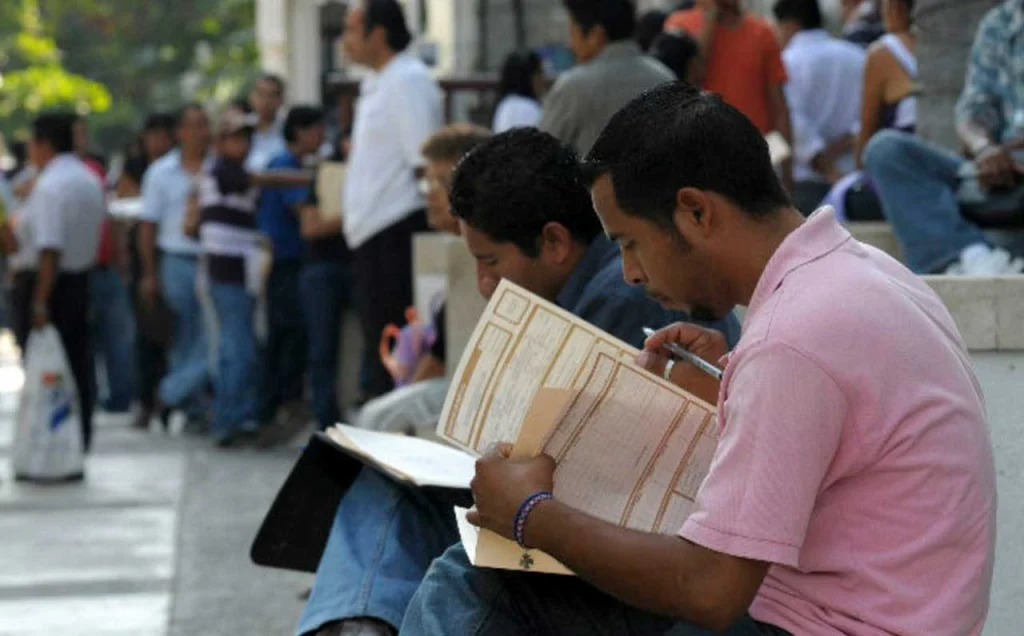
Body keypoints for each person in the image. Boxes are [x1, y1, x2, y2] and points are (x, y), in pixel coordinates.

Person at [402, 81, 997, 636]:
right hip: (868, 614)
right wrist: (729, 383)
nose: (631, 273)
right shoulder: (863, 276)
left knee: (487, 584)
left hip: (819, 625)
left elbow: (712, 590)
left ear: (695, 212)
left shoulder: (792, 338)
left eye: (630, 243)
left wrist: (530, 513)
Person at [296, 128, 741, 636]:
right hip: (559, 515)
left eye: (490, 261)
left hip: (601, 543)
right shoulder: (584, 292)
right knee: (387, 484)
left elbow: (605, 488)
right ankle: (355, 624)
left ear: (554, 241)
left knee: (451, 568)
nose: (483, 284)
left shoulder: (626, 298)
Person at [864, 0, 1024, 275]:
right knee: (885, 150)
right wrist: (985, 149)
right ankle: (968, 257)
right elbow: (971, 113)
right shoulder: (1001, 22)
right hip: (1003, 172)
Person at [353, 124, 493, 437]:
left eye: (442, 182)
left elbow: (437, 367)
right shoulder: (460, 256)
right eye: (427, 181)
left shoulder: (490, 256)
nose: (430, 193)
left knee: (378, 418)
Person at [342, 0, 443, 399]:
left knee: (393, 351)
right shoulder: (378, 82)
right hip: (371, 232)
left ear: (378, 34)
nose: (345, 40)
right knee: (378, 347)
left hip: (396, 229)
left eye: (352, 30)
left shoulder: (407, 79)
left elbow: (425, 162)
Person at [12, 112, 106, 452]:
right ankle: (78, 436)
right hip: (81, 279)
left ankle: (56, 440)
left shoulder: (51, 186)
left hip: (51, 285)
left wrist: (40, 302)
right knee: (78, 363)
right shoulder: (88, 179)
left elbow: (50, 249)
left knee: (51, 369)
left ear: (43, 145)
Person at [665, 0, 794, 190]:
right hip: (704, 161)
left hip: (756, 160)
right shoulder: (679, 25)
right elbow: (693, 75)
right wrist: (710, 20)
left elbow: (779, 108)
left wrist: (787, 172)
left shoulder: (762, 31)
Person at [138, 104, 213, 425]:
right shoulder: (160, 172)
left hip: (212, 260)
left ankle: (170, 392)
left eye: (203, 125)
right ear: (180, 132)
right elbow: (148, 225)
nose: (199, 133)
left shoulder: (218, 166)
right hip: (176, 260)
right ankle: (192, 407)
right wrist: (149, 273)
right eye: (192, 126)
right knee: (182, 337)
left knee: (211, 337)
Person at [255, 105, 325, 442]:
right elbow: (301, 209)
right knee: (286, 336)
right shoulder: (284, 165)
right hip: (285, 262)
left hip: (290, 261)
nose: (321, 136)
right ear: (300, 131)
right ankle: (276, 406)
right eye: (316, 129)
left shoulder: (292, 163)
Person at [198, 108, 261, 447]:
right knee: (238, 348)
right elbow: (256, 182)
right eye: (235, 138)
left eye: (245, 138)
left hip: (237, 269)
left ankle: (230, 416)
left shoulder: (233, 170)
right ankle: (232, 418)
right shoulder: (222, 170)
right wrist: (304, 179)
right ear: (220, 142)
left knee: (231, 348)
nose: (243, 144)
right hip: (226, 270)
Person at [822, 0, 917, 223]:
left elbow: (865, 143)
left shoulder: (884, 52)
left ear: (894, 7)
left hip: (898, 182)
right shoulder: (960, 46)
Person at [540, 0, 675, 156]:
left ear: (596, 35)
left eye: (572, 32)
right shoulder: (665, 77)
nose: (570, 44)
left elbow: (540, 154)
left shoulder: (574, 86)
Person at [774, 0, 865, 215]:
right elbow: (870, 113)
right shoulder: (857, 56)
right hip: (853, 178)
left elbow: (792, 121)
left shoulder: (786, 62)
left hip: (807, 182)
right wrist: (847, 141)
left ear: (790, 25)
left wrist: (825, 165)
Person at [74, 115, 139, 415]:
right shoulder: (50, 176)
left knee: (118, 336)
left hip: (105, 267)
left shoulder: (95, 170)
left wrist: (119, 256)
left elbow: (109, 218)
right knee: (87, 339)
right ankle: (87, 394)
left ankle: (121, 395)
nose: (82, 139)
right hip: (78, 270)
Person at [131, 113, 177, 430]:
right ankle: (149, 401)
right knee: (148, 335)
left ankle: (170, 398)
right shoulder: (141, 168)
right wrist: (148, 273)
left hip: (168, 257)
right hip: (148, 261)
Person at [492, 50, 545, 133]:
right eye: (539, 72)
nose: (543, 79)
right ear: (528, 76)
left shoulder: (504, 105)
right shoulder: (528, 109)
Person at [246, 74, 288, 172]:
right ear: (251, 97)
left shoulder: (289, 131)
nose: (266, 101)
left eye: (272, 96)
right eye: (261, 94)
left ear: (281, 100)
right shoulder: (241, 129)